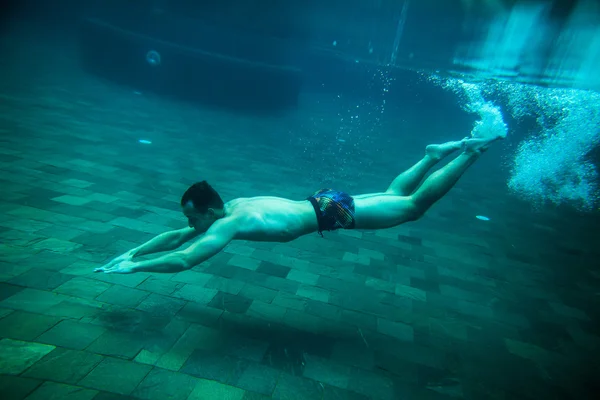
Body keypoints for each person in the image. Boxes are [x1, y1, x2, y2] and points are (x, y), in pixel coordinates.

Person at [94, 132, 504, 274]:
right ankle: (432, 155)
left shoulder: (227, 225)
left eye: (191, 215)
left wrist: (133, 267)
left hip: (330, 211)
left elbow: (184, 259)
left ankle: (472, 152)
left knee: (413, 206)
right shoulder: (232, 206)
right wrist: (132, 250)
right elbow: (176, 237)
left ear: (208, 211)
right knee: (396, 195)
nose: (188, 223)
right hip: (322, 201)